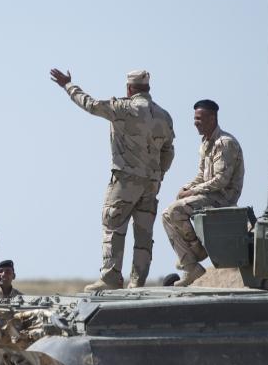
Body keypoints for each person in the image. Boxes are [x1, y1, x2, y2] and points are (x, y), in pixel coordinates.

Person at [49, 68, 175, 291]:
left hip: (125, 181)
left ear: (129, 88)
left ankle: (109, 277)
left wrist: (68, 86)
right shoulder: (164, 116)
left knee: (113, 227)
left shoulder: (123, 108)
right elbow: (168, 151)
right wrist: (158, 174)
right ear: (148, 88)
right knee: (144, 234)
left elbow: (90, 104)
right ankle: (137, 282)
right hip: (151, 183)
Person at [162, 99, 245, 286]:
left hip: (223, 198)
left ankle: (197, 253)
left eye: (199, 118)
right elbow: (202, 175)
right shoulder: (206, 142)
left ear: (212, 118)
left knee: (175, 210)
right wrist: (186, 188)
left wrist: (192, 191)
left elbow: (221, 180)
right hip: (209, 196)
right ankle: (192, 266)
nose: (195, 122)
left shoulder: (224, 143)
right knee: (167, 214)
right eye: (194, 119)